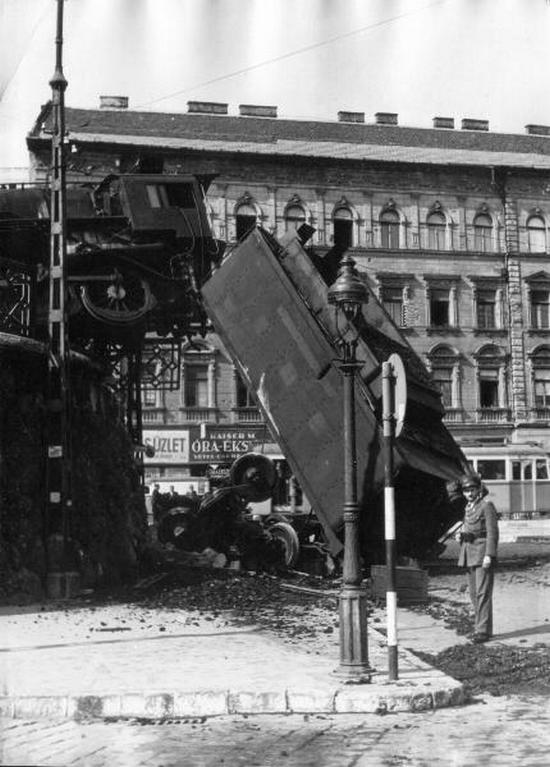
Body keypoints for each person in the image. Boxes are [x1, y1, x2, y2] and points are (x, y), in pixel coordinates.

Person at [457, 472, 499, 644]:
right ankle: (483, 628)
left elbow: (492, 532)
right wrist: (461, 536)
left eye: (472, 489)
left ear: (479, 489)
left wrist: (489, 554)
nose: (469, 494)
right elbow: (470, 528)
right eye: (466, 491)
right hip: (469, 553)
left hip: (482, 553)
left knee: (483, 593)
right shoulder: (468, 508)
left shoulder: (486, 506)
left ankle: (481, 631)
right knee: (474, 594)